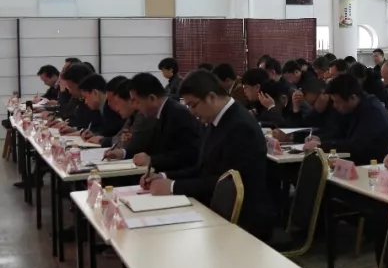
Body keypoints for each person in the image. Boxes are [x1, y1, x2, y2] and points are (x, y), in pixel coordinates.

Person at [140, 71, 273, 241]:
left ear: (211, 97)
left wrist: (174, 187)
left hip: (243, 222)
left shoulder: (240, 126)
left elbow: (228, 184)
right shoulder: (216, 120)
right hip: (217, 209)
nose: (191, 112)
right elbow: (203, 168)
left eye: (192, 105)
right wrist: (165, 177)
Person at [310, 73, 388, 164]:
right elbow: (338, 132)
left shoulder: (372, 112)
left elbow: (357, 146)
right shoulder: (352, 108)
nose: (334, 106)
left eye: (337, 102)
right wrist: (319, 139)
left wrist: (322, 145)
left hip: (378, 164)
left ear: (352, 98)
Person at [127, 72, 201, 169]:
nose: (134, 106)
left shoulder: (178, 114)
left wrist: (152, 160)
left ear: (152, 98)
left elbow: (188, 155)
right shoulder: (160, 113)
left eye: (136, 101)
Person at [101, 79, 156, 159]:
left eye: (117, 103)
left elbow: (132, 146)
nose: (116, 108)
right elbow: (118, 138)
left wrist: (121, 147)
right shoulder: (131, 116)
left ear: (130, 100)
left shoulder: (143, 115)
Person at [77, 73, 124, 138]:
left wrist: (97, 135)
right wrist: (93, 133)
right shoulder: (98, 108)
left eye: (85, 97)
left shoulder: (111, 107)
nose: (85, 102)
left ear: (95, 93)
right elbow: (95, 128)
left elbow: (111, 131)